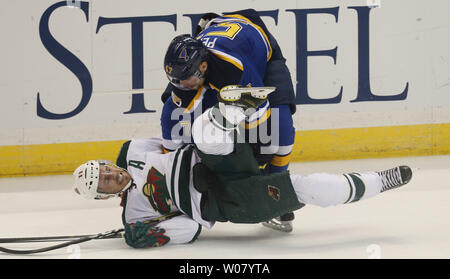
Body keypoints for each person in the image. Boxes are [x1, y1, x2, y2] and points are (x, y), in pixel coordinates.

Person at [73, 93, 413, 249]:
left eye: (103, 170)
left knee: (202, 134)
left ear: (106, 163)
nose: (109, 175)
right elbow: (190, 230)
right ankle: (378, 181)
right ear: (103, 195)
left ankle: (238, 108)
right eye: (103, 182)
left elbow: (173, 143)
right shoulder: (134, 218)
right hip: (224, 202)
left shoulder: (132, 150)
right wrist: (149, 237)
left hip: (210, 160)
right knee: (300, 189)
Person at [160, 9, 297, 232]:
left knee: (280, 131)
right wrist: (168, 174)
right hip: (222, 38)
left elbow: (260, 113)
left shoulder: (234, 70)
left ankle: (277, 183)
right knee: (176, 114)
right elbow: (171, 121)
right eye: (176, 82)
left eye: (186, 81)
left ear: (203, 66)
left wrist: (254, 161)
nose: (182, 87)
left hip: (261, 55)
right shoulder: (186, 75)